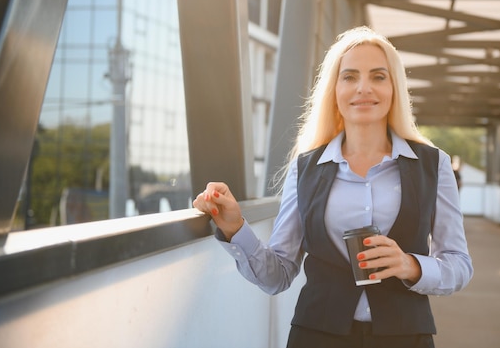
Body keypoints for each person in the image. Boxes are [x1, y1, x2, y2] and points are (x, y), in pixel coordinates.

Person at [193, 26, 473, 348]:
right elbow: (278, 274)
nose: (363, 88)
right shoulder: (306, 169)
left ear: (395, 87)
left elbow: (459, 264)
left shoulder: (433, 164)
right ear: (334, 89)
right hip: (316, 337)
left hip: (405, 337)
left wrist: (410, 265)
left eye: (378, 77)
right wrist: (235, 228)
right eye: (350, 76)